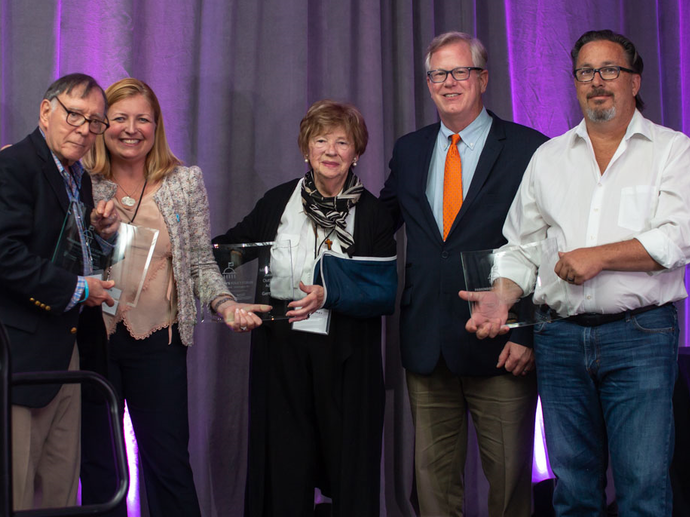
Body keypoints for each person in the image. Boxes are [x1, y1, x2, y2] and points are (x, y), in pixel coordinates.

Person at [464, 30, 690, 516]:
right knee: (572, 491)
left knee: (642, 488)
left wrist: (599, 256)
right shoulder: (548, 158)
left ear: (634, 81)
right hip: (559, 339)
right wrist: (502, 294)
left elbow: (681, 238)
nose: (597, 81)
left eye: (610, 70)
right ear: (575, 83)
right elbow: (522, 246)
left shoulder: (671, 151)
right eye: (585, 72)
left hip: (640, 336)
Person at [78, 78, 270, 517]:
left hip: (159, 343)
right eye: (120, 118)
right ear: (103, 124)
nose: (131, 128)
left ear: (157, 125)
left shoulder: (184, 182)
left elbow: (200, 262)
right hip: (94, 341)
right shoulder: (82, 179)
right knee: (100, 467)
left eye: (142, 118)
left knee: (168, 464)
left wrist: (226, 304)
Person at [379, 31, 548, 516]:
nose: (448, 82)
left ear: (483, 78)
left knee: (510, 486)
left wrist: (529, 331)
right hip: (428, 345)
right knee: (432, 486)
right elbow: (377, 223)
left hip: (501, 345)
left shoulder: (528, 149)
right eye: (437, 73)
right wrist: (314, 205)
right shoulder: (409, 150)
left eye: (460, 72)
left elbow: (547, 244)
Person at [214, 99, 396, 516]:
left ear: (356, 151)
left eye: (342, 142)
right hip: (282, 356)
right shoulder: (277, 201)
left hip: (349, 359)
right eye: (320, 140)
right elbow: (228, 253)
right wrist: (231, 300)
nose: (331, 151)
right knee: (283, 467)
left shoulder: (373, 214)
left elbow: (384, 293)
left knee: (351, 469)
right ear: (305, 148)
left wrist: (328, 294)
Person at [0, 73, 119, 516]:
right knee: (9, 496)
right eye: (74, 115)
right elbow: (0, 255)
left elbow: (67, 256)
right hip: (11, 353)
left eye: (95, 122)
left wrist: (101, 239)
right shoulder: (13, 165)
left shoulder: (78, 178)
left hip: (63, 350)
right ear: (46, 112)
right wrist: (79, 289)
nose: (84, 129)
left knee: (60, 493)